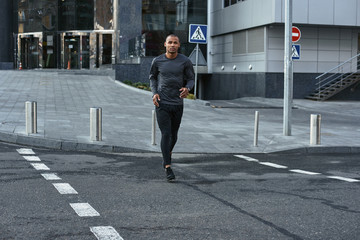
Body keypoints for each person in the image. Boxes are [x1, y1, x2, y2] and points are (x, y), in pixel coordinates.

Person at [149, 34, 195, 181]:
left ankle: (165, 156)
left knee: (174, 135)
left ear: (178, 45)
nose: (172, 45)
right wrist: (154, 93)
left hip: (177, 104)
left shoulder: (185, 61)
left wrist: (188, 88)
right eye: (170, 42)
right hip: (162, 103)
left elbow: (191, 78)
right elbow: (152, 77)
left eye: (175, 43)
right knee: (166, 134)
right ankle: (168, 166)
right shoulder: (157, 61)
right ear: (165, 44)